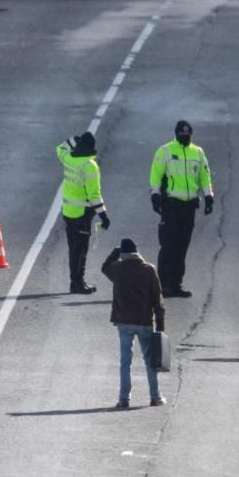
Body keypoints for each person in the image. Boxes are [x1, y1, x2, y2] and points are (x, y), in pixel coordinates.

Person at [149, 120, 214, 298]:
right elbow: (156, 175)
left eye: (187, 135)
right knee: (168, 245)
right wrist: (155, 195)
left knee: (182, 247)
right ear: (176, 134)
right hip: (171, 205)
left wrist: (209, 196)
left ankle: (176, 284)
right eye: (181, 135)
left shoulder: (198, 153)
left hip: (189, 206)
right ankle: (163, 285)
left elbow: (204, 175)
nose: (184, 137)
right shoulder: (165, 151)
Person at [102, 238, 165, 408]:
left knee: (125, 361)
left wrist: (116, 252)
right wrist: (160, 323)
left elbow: (104, 267)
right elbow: (157, 298)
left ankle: (124, 398)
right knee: (150, 360)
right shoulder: (148, 270)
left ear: (123, 254)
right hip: (144, 321)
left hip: (123, 321)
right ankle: (155, 396)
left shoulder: (117, 269)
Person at [57, 132, 110, 294]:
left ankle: (76, 281)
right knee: (80, 251)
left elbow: (60, 147)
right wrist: (103, 216)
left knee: (73, 248)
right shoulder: (89, 165)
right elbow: (94, 194)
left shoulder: (68, 158)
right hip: (82, 214)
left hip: (68, 212)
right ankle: (77, 283)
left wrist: (74, 138)